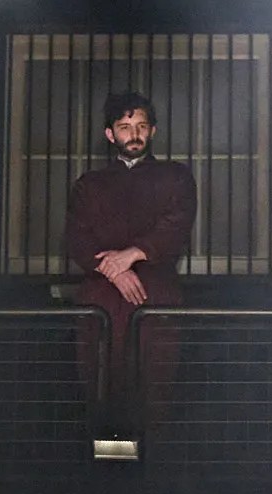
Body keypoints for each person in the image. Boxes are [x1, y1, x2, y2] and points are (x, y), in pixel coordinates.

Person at [65, 90, 196, 433]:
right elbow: (77, 238)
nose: (134, 134)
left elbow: (176, 225)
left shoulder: (175, 177)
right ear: (110, 134)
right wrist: (115, 272)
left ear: (153, 130)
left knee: (155, 378)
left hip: (155, 293)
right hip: (101, 298)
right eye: (125, 127)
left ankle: (153, 455)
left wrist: (132, 254)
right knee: (100, 377)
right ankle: (101, 452)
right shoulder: (89, 184)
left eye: (141, 126)